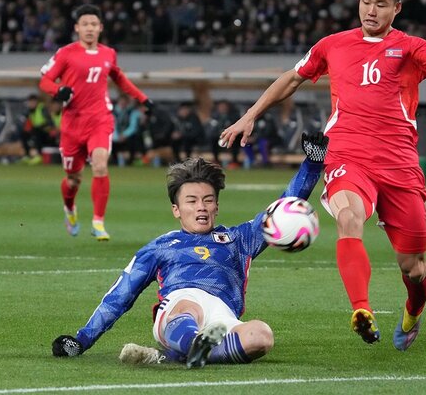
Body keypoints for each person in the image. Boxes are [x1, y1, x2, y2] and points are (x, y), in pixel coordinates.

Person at [219, 0, 426, 351]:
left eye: (380, 4)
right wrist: (250, 114)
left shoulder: (413, 48)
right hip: (348, 155)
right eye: (365, 1)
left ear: (396, 8)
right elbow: (292, 78)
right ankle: (361, 310)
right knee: (349, 218)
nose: (370, 10)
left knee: (413, 267)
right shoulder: (333, 44)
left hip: (399, 165)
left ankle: (413, 311)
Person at [51, 132, 328, 369]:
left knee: (262, 335)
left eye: (208, 200)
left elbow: (281, 208)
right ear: (176, 209)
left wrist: (312, 164)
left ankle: (182, 355)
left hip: (223, 317)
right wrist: (82, 340)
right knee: (189, 306)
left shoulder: (239, 239)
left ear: (217, 206)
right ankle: (191, 345)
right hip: (178, 310)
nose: (201, 207)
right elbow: (121, 295)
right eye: (192, 201)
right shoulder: (160, 247)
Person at [39, 4, 154, 241]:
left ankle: (98, 222)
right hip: (72, 124)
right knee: (73, 179)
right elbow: (45, 81)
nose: (89, 28)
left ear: (100, 28)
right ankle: (70, 209)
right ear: (77, 28)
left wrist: (142, 98)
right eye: (85, 24)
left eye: (94, 24)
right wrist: (58, 90)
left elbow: (119, 78)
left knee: (100, 165)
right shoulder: (65, 53)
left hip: (100, 119)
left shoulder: (108, 53)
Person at [20, 93, 55, 165]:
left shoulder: (42, 109)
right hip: (36, 131)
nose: (31, 104)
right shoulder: (29, 111)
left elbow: (50, 123)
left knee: (37, 131)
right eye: (30, 102)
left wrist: (41, 127)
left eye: (33, 102)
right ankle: (27, 156)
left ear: (37, 102)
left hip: (47, 133)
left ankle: (39, 156)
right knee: (24, 134)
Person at [111, 94, 143, 167]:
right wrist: (116, 137)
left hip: (127, 138)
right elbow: (112, 126)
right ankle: (115, 160)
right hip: (115, 137)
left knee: (134, 138)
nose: (123, 104)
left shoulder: (132, 112)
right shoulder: (112, 112)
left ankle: (130, 160)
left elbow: (133, 126)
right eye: (121, 102)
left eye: (125, 103)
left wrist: (124, 135)